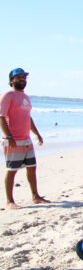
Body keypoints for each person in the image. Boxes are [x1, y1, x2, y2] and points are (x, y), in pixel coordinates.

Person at [0, 68, 49, 210]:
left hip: (26, 140)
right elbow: (1, 117)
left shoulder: (25, 97)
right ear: (11, 80)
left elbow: (28, 118)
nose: (22, 79)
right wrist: (9, 136)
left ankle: (35, 196)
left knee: (32, 168)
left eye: (24, 77)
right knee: (12, 170)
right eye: (18, 77)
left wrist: (37, 134)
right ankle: (9, 201)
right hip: (13, 140)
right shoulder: (7, 95)